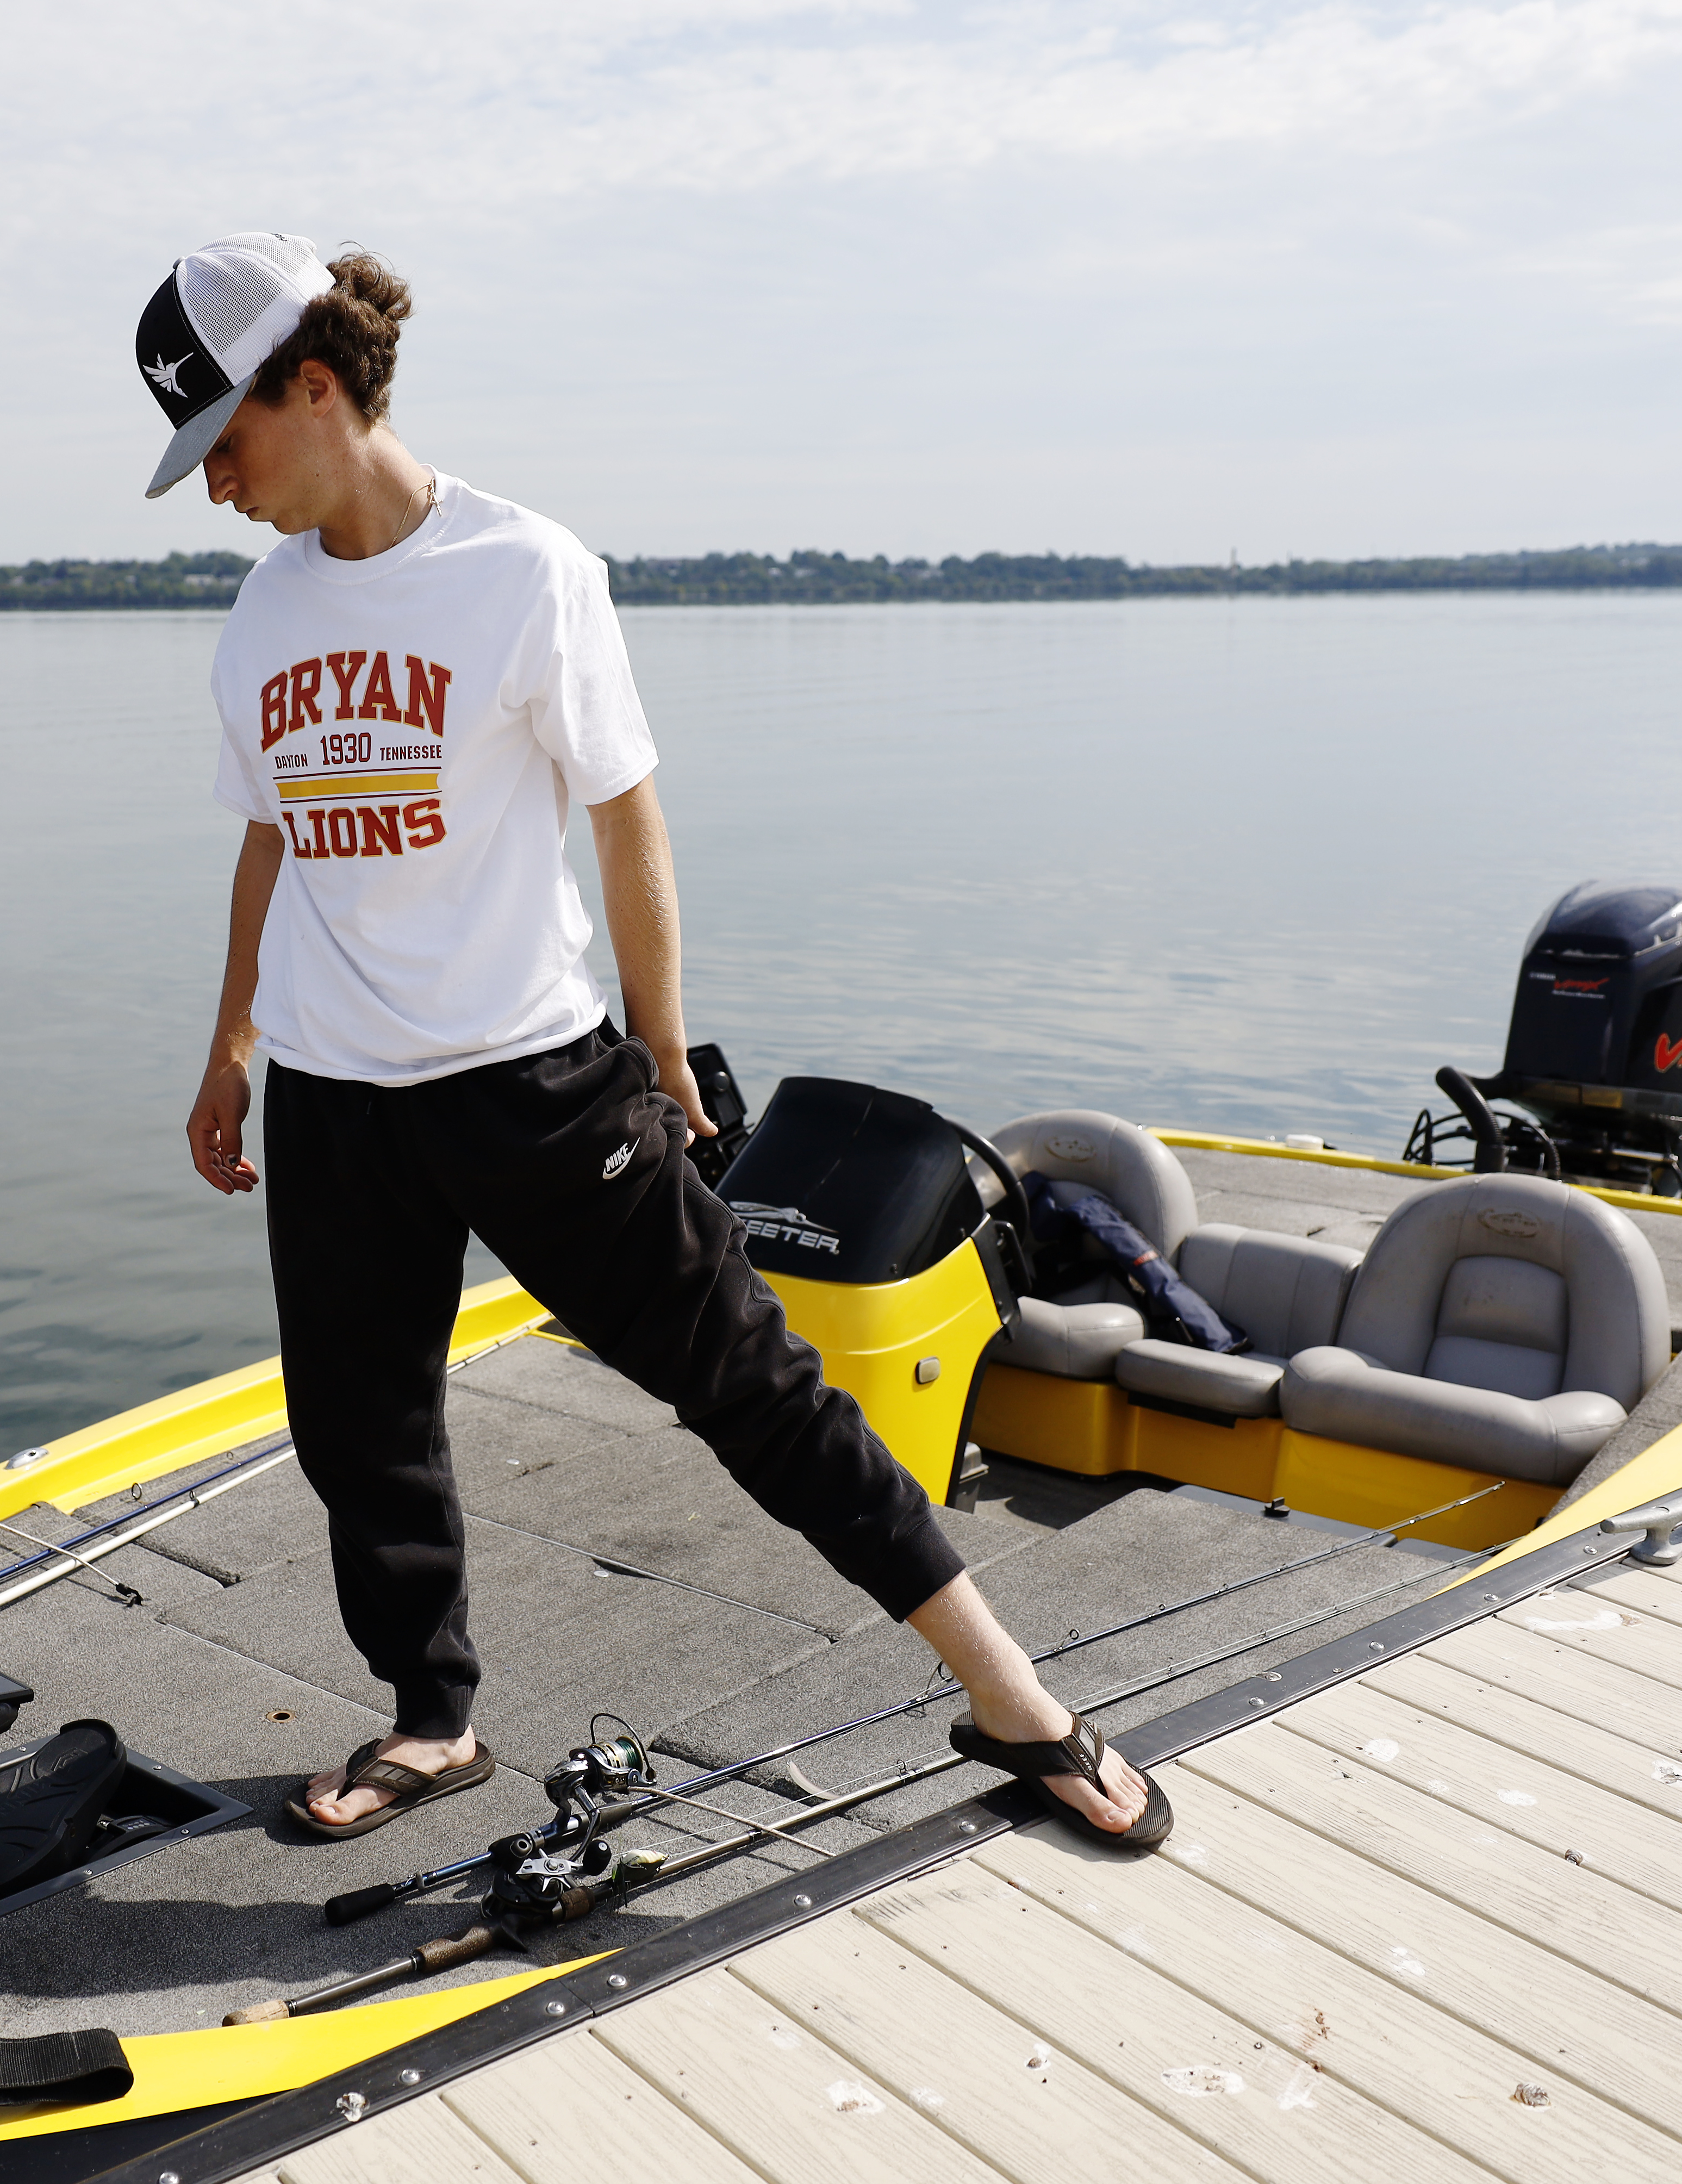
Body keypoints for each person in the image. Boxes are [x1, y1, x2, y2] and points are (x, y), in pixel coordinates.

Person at [136, 231, 1164, 1847]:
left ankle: (1013, 1695)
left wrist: (663, 1048)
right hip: (337, 1098)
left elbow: (629, 821)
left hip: (532, 1080)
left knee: (753, 1383)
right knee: (358, 1430)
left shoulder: (525, 571)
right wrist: (231, 1043)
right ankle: (434, 1719)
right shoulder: (262, 615)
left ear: (315, 388)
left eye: (226, 444)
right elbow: (269, 833)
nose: (215, 489)